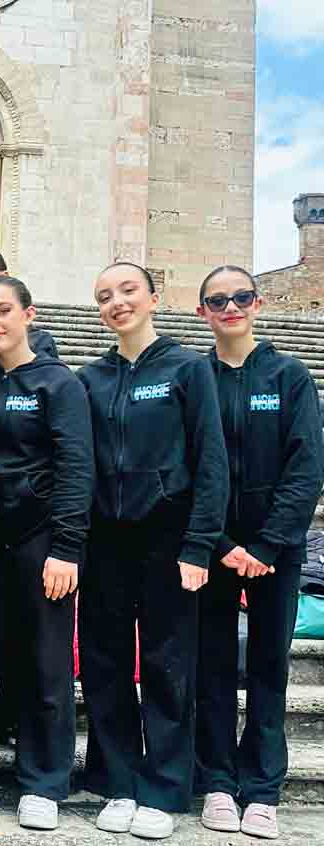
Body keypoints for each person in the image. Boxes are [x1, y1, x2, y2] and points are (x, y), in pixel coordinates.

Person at [77, 261, 228, 840]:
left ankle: (164, 788)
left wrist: (198, 546)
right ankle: (117, 781)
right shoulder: (91, 378)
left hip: (170, 540)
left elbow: (210, 463)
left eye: (127, 291)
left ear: (154, 297)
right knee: (106, 663)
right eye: (104, 295)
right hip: (107, 540)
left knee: (168, 666)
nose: (116, 302)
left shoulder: (188, 369)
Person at [193, 266, 323, 840]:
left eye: (240, 297)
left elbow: (306, 467)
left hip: (277, 549)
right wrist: (221, 545)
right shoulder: (195, 378)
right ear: (202, 312)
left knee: (270, 667)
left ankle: (263, 789)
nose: (230, 307)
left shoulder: (290, 376)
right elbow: (186, 464)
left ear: (258, 303)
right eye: (218, 300)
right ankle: (218, 783)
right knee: (214, 667)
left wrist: (267, 545)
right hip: (214, 548)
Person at [0, 275, 93, 831]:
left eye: (3, 311)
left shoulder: (59, 383)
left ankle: (44, 779)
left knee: (47, 661)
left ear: (28, 314)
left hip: (43, 540)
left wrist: (66, 548)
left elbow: (75, 467)